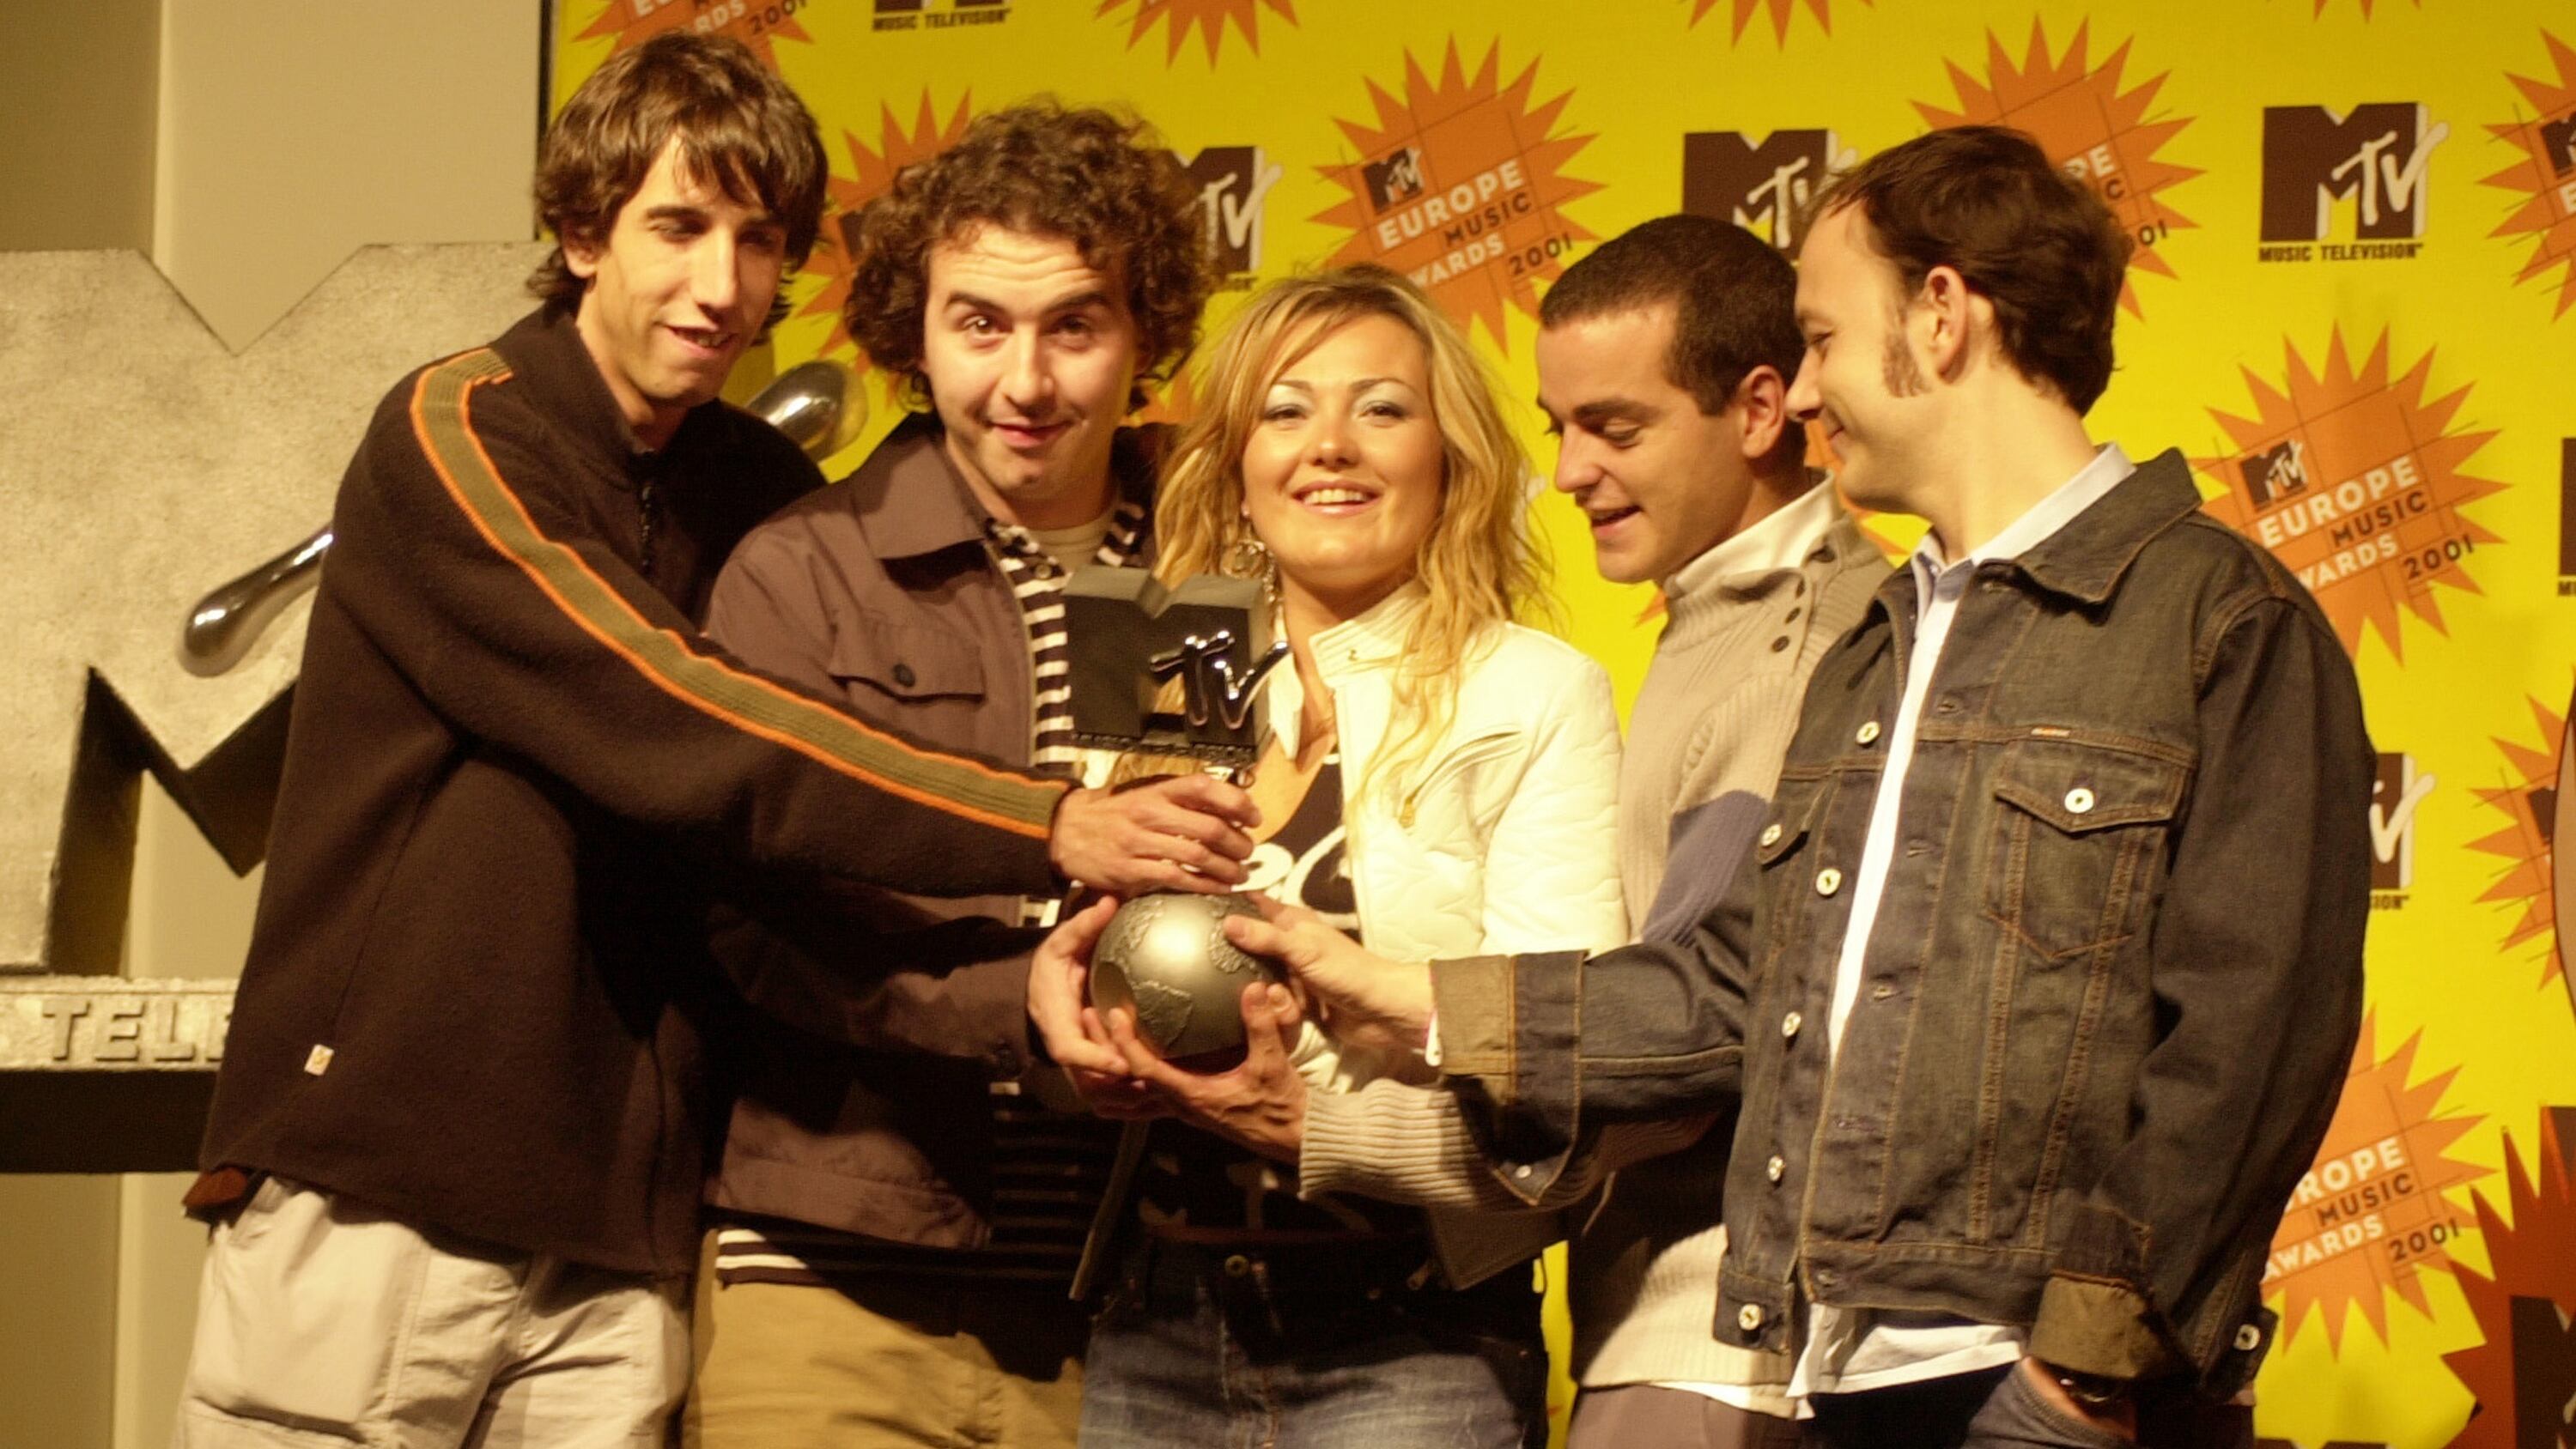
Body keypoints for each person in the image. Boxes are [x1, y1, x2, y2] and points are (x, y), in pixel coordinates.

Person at [169, 39, 1252, 1449]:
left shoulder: (760, 488)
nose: (722, 286)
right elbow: (672, 714)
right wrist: (1043, 822)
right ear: (580, 235)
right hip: (388, 1173)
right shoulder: (460, 429)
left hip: (629, 1213)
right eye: (678, 228)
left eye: (758, 242)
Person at [1236, 126, 2372, 1449]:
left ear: (1940, 316)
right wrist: (1417, 997)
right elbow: (1734, 990)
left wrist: (2083, 1374)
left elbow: (2252, 1040)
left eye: (1824, 339)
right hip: (1842, 1368)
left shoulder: (2220, 620)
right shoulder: (1882, 644)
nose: (1808, 391)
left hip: (2040, 1390)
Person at [680, 101, 1214, 1449]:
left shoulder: (1206, 571)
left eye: (1073, 327)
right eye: (980, 324)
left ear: (1145, 332)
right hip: (833, 1289)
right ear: (913, 336)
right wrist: (1010, 1000)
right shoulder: (807, 570)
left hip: (1122, 1314)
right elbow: (747, 923)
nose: (1023, 383)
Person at [1030, 265, 1628, 1449]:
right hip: (1157, 1320)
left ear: (1451, 456)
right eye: (1286, 411)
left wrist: (1308, 1117)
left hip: (1410, 1340)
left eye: (1383, 409)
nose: (1330, 447)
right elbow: (1095, 961)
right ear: (1238, 462)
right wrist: (1063, 1015)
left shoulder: (1534, 692)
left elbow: (1568, 1063)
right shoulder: (1167, 668)